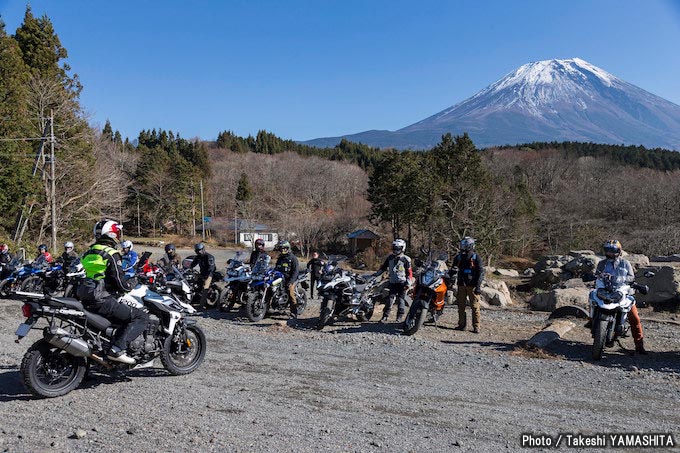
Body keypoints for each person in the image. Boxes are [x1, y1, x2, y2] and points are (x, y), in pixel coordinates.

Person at [77, 220, 148, 364]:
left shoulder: (88, 253)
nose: (118, 236)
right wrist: (132, 283)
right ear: (112, 234)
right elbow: (121, 283)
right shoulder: (111, 253)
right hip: (102, 298)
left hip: (85, 296)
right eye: (117, 233)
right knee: (140, 317)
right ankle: (117, 349)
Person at [595, 239, 647, 354]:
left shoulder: (625, 263)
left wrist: (627, 281)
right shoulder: (602, 263)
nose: (610, 253)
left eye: (613, 251)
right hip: (606, 289)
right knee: (593, 299)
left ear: (619, 251)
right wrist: (598, 277)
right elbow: (597, 274)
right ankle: (592, 322)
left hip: (621, 291)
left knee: (634, 318)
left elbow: (630, 277)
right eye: (608, 251)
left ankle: (639, 345)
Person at [373, 239, 412, 323]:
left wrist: (408, 283)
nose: (396, 250)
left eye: (398, 248)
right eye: (394, 248)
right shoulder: (390, 258)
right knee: (390, 300)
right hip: (393, 282)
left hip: (402, 282)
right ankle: (385, 316)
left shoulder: (406, 259)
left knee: (401, 300)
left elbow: (409, 272)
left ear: (402, 248)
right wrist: (375, 275)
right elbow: (383, 267)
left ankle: (399, 317)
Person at [451, 237, 485, 333]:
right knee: (461, 306)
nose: (462, 247)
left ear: (469, 246)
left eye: (464, 245)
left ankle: (476, 326)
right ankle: (461, 325)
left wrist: (478, 286)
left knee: (475, 306)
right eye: (462, 245)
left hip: (472, 285)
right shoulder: (458, 257)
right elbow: (452, 269)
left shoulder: (476, 257)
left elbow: (481, 272)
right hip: (461, 284)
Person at [275, 240, 299, 317]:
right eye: (281, 249)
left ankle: (294, 312)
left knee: (290, 293)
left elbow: (295, 271)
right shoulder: (280, 258)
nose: (282, 250)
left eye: (284, 248)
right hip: (281, 279)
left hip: (290, 279)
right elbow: (276, 268)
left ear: (288, 248)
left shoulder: (293, 258)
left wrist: (291, 282)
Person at [190, 242, 216, 309]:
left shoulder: (209, 257)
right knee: (193, 283)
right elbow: (192, 264)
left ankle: (201, 306)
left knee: (205, 288)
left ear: (203, 249)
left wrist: (207, 276)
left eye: (200, 250)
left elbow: (211, 267)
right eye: (197, 250)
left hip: (209, 274)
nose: (199, 252)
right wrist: (187, 268)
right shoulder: (198, 257)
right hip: (202, 274)